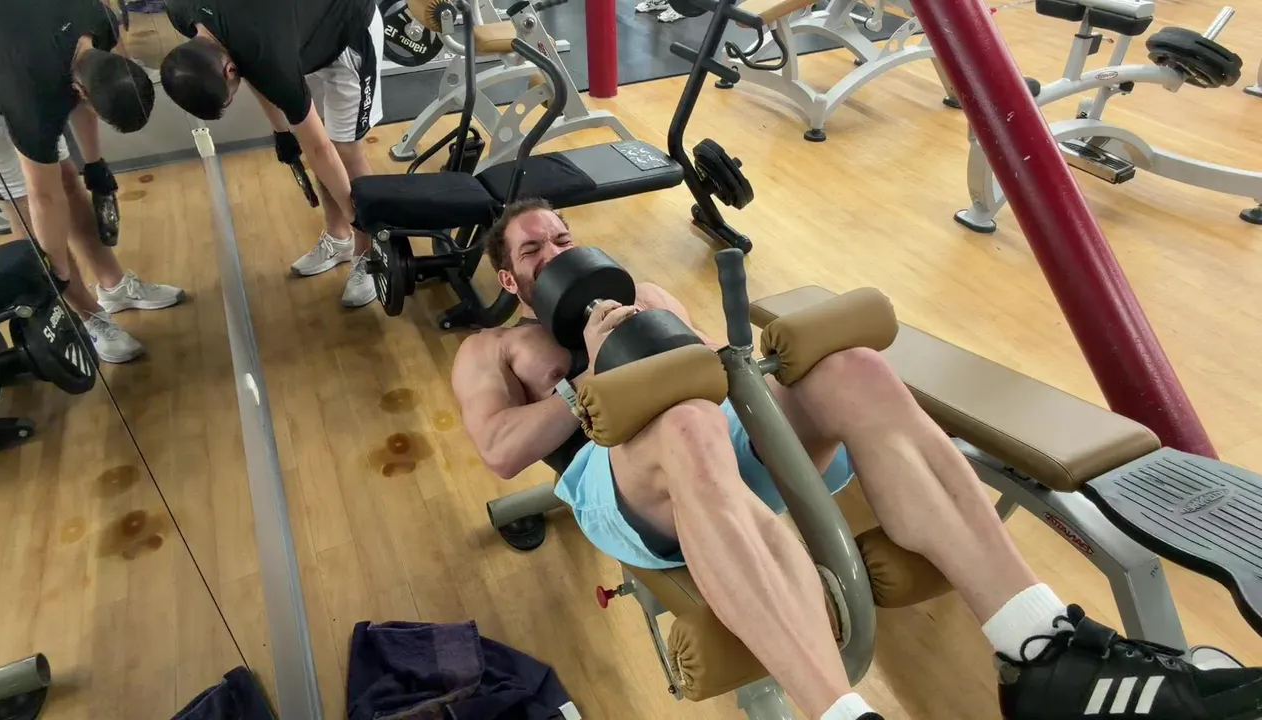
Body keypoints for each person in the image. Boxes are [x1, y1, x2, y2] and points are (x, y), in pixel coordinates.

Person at [452, 198, 1262, 720]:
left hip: (718, 434)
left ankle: (1041, 650)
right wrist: (588, 377)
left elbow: (723, 380)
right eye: (534, 250)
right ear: (510, 280)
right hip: (617, 477)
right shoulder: (494, 350)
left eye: (563, 237)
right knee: (688, 428)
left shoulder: (645, 295)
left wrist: (670, 338)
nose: (555, 252)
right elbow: (498, 451)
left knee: (855, 370)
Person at [0, 0, 185, 364]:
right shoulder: (33, 96)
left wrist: (94, 164)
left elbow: (85, 99)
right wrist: (56, 273)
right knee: (27, 202)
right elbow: (43, 197)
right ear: (78, 87)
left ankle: (114, 286)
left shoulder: (100, 20)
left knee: (69, 182)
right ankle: (86, 315)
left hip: (14, 50)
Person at [160, 0, 384, 309]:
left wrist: (358, 216)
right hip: (297, 34)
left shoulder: (267, 54)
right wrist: (281, 130)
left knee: (344, 149)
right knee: (317, 133)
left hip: (349, 27)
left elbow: (319, 148)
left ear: (228, 70)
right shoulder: (181, 10)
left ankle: (369, 252)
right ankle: (338, 237)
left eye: (229, 98)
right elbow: (253, 68)